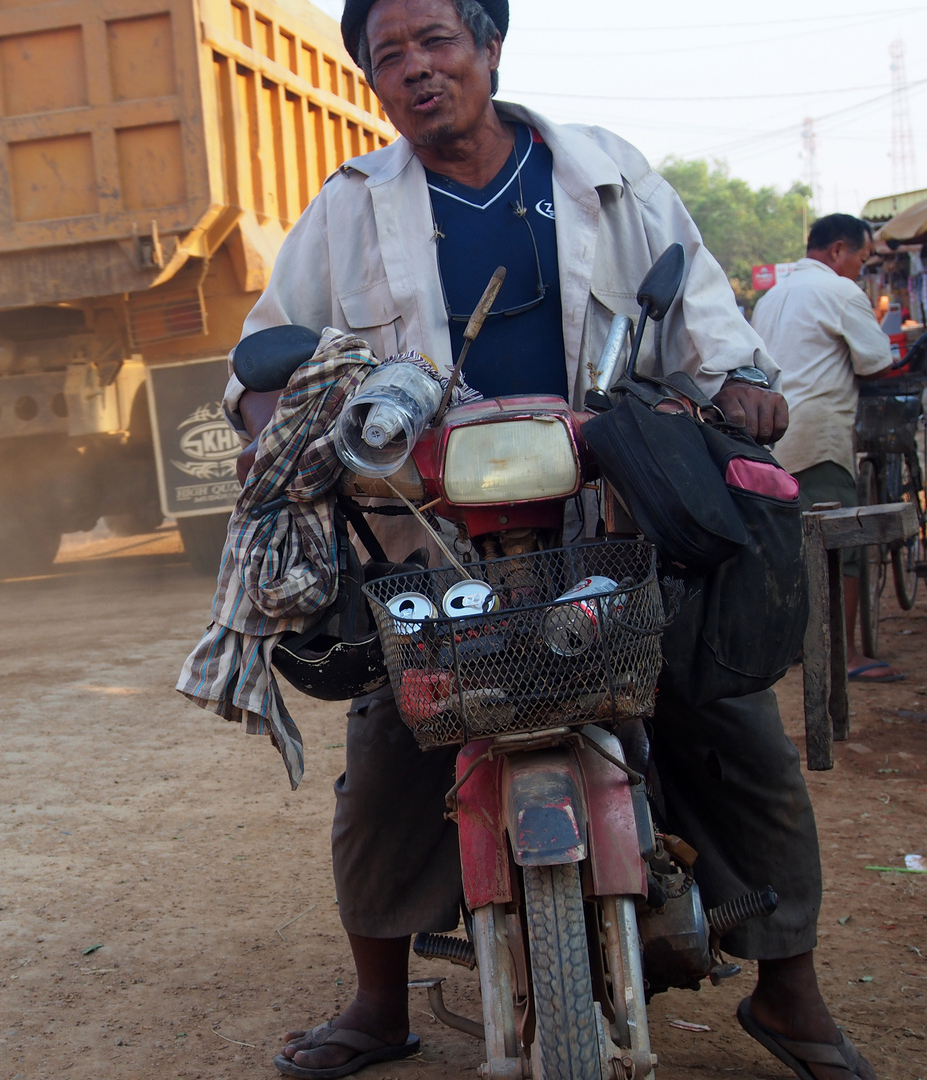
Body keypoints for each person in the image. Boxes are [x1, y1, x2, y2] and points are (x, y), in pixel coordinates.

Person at [225, 2, 874, 1078]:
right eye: (390, 56)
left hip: (618, 515)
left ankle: (791, 993)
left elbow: (703, 315)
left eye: (437, 41)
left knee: (730, 724)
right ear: (376, 83)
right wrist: (268, 429)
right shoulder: (349, 209)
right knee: (391, 741)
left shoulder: (605, 175)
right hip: (440, 535)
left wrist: (743, 383)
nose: (417, 69)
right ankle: (379, 1003)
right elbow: (266, 353)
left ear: (489, 48)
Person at [752, 214, 899, 683]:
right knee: (842, 548)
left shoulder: (772, 296)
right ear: (838, 250)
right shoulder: (839, 291)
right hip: (819, 438)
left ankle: (798, 645)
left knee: (790, 550)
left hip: (770, 443)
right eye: (861, 256)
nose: (861, 266)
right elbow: (876, 364)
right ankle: (844, 656)